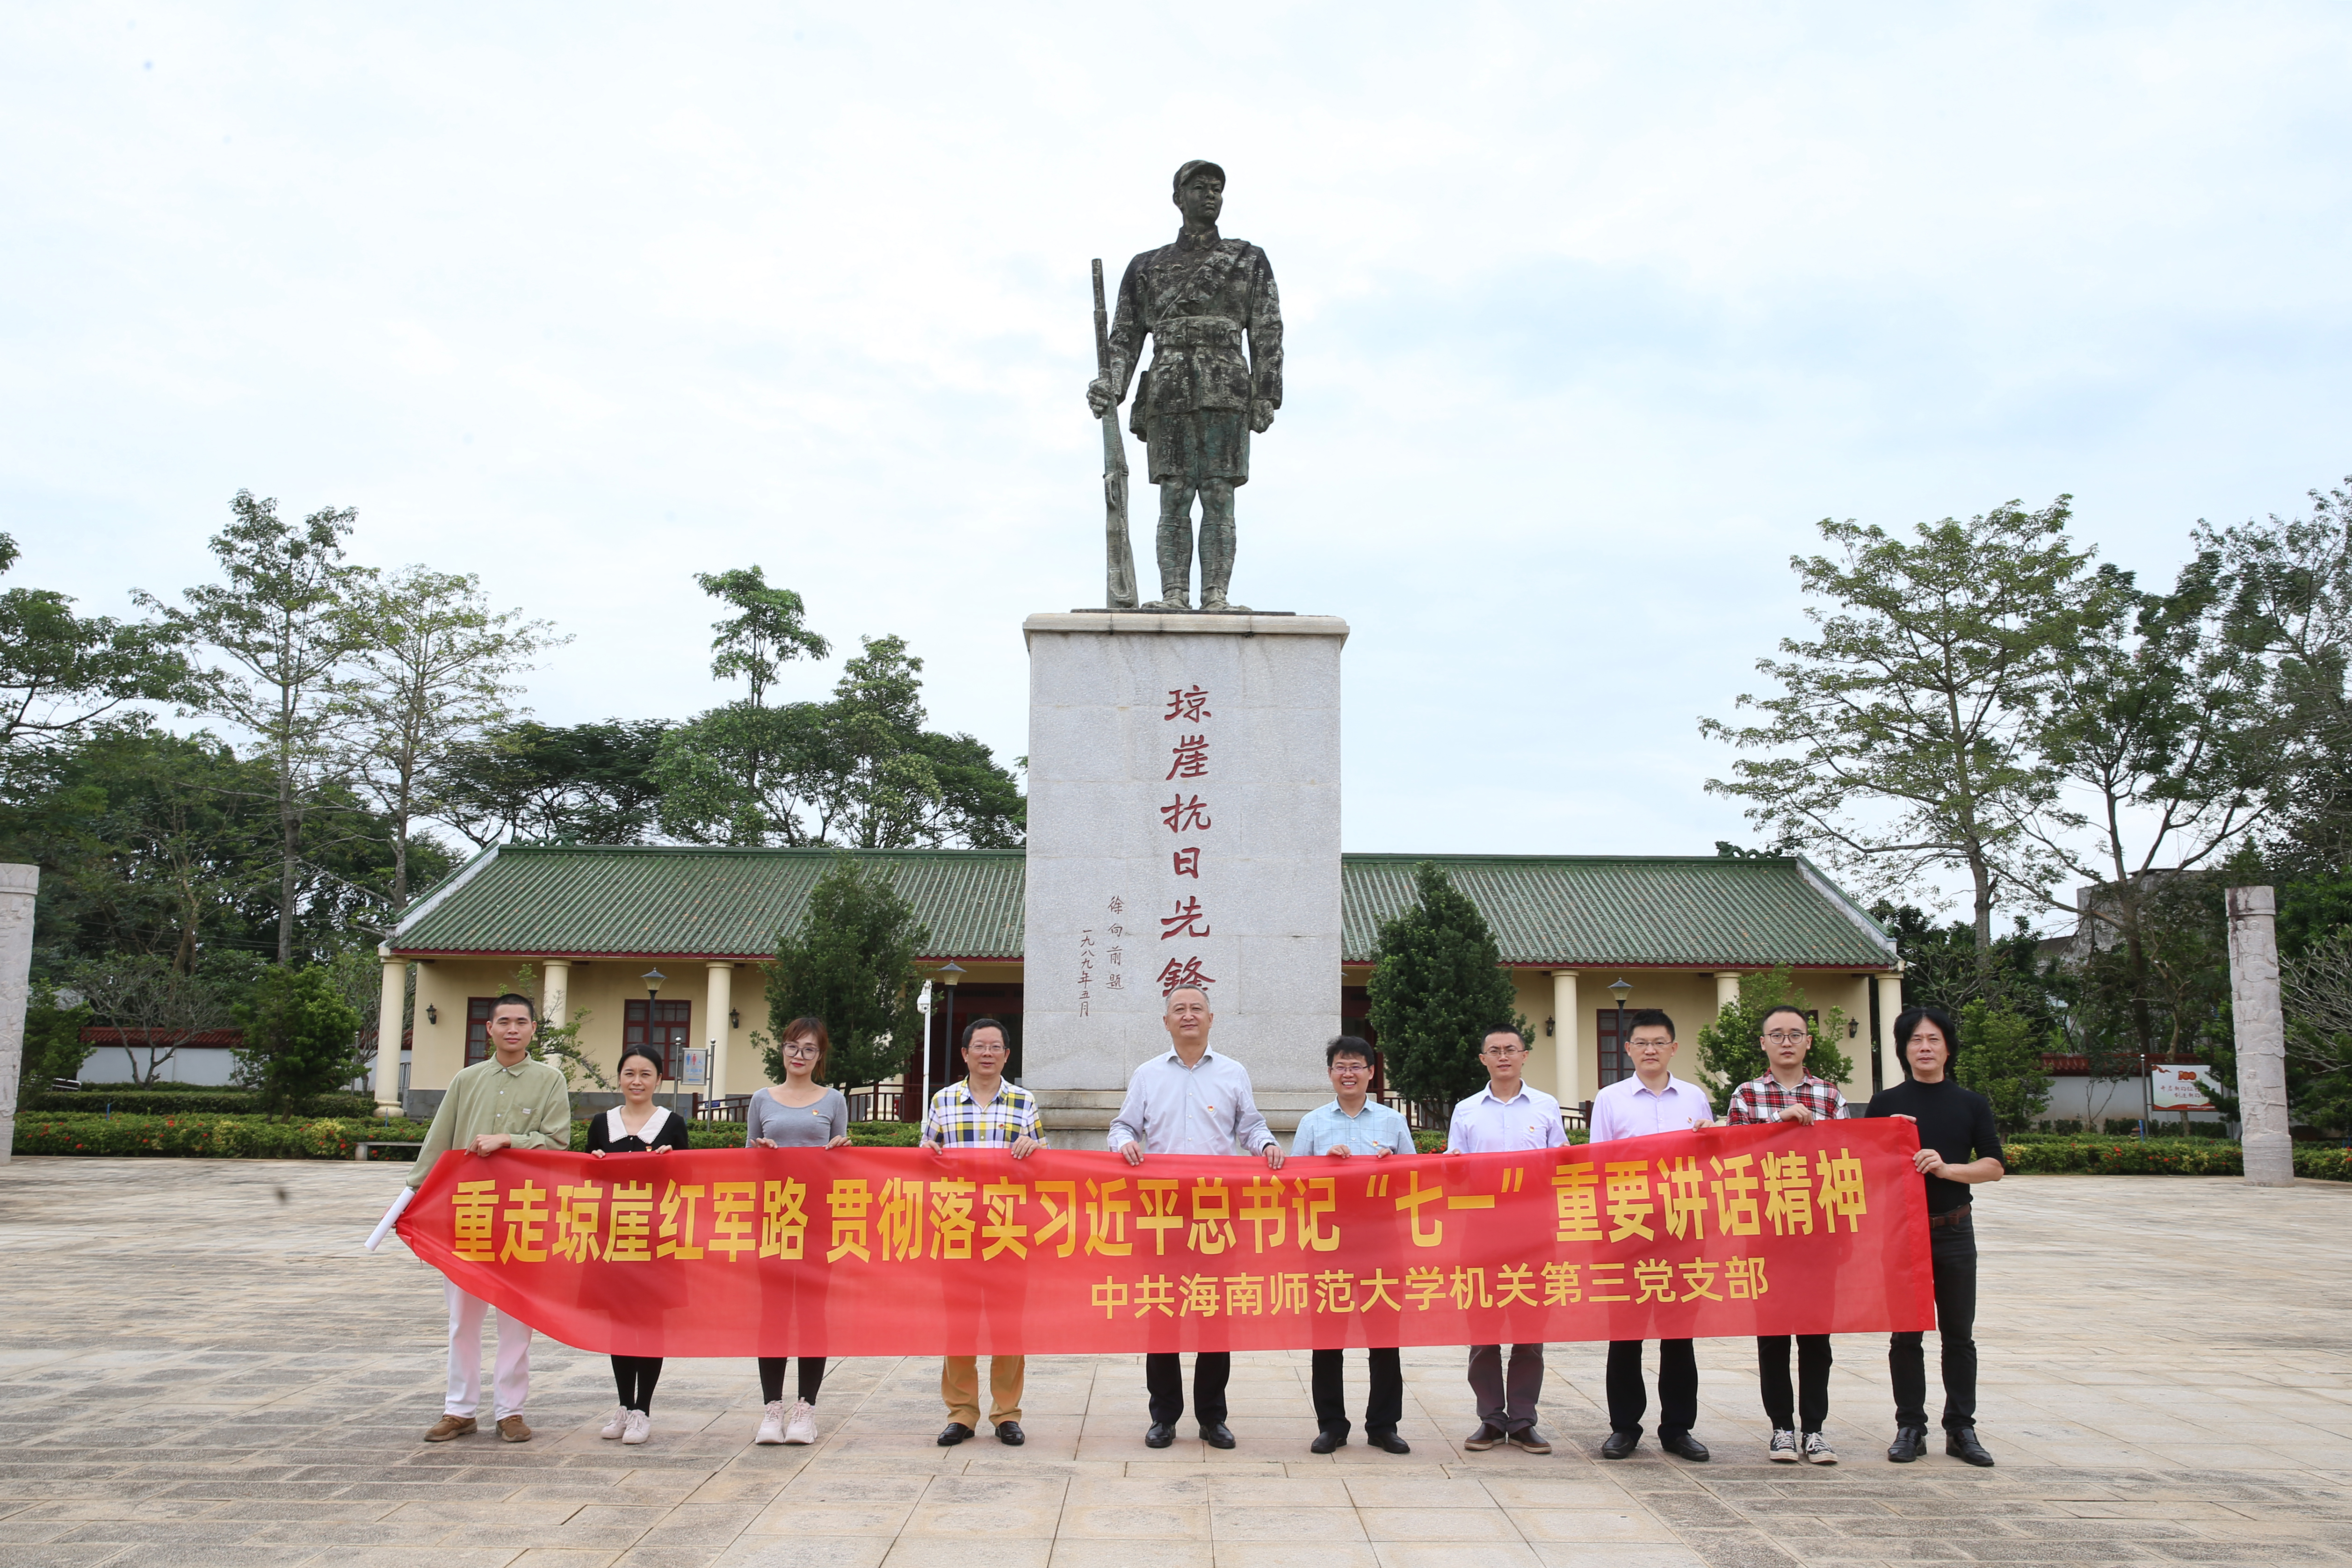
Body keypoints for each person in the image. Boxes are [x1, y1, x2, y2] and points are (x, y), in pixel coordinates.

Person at [1086, 159, 1284, 612]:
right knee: (1174, 493)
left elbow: (1268, 330)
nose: (1210, 195)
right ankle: (1174, 593)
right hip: (1170, 384)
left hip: (1226, 383)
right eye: (1199, 187)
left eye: (1217, 188)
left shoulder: (1247, 259)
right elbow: (1125, 335)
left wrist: (1266, 393)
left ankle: (1216, 595)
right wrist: (1110, 385)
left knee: (1218, 493)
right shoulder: (1147, 266)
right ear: (1179, 197)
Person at [1109, 984, 1284, 1448]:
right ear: (1165, 1021)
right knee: (1162, 1312)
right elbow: (1123, 1125)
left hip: (1214, 1210)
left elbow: (1250, 1126)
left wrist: (1265, 1144)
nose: (1188, 1015)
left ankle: (1212, 1415)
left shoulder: (1232, 1073)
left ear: (1212, 1018)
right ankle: (1163, 1415)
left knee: (1214, 1313)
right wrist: (1123, 1142)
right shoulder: (1147, 1074)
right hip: (1162, 1211)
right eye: (1178, 1009)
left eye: (1196, 1008)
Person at [406, 993, 573, 1445]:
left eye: (522, 1021)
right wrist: (413, 1193)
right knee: (463, 1317)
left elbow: (558, 1143)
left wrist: (509, 1140)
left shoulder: (550, 1080)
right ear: (490, 1027)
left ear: (534, 1029)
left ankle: (510, 1411)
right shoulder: (467, 1079)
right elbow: (439, 1139)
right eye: (504, 1021)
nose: (513, 1029)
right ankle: (459, 1409)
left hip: (523, 1213)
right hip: (468, 1213)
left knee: (516, 1317)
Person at [1868, 1005, 2004, 1468]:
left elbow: (1993, 1165)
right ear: (1903, 1049)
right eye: (1915, 1040)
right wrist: (1892, 1139)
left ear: (1948, 1047)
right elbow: (1864, 1170)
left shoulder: (1970, 1102)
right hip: (1902, 1233)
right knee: (1905, 1333)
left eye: (1933, 1039)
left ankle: (1961, 1427)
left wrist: (1948, 1168)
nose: (1924, 1047)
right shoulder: (1886, 1104)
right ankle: (1910, 1426)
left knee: (1958, 1334)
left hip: (1953, 1229)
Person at [1586, 1008, 1714, 1463]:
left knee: (1679, 1334)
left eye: (1659, 1042)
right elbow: (1596, 1168)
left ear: (1673, 1047)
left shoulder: (1695, 1098)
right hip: (1627, 1230)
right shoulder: (1610, 1099)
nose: (1650, 1050)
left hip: (1683, 1229)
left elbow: (1709, 1164)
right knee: (1625, 1333)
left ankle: (1678, 1427)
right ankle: (1624, 1426)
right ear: (1627, 1049)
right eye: (1641, 1042)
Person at [1722, 1004, 1846, 1465]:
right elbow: (1733, 1157)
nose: (1787, 1041)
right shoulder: (1747, 1095)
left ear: (1808, 1041)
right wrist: (1778, 1126)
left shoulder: (1829, 1096)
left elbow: (1846, 1161)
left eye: (1796, 1033)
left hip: (1817, 1235)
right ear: (1763, 1043)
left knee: (1816, 1335)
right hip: (1766, 1233)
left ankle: (1814, 1428)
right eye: (1777, 1034)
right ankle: (1781, 1428)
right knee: (1773, 1335)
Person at [920, 1016, 1043, 1449]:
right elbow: (925, 1157)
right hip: (956, 1227)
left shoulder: (1024, 1102)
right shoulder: (943, 1100)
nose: (987, 1053)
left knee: (1008, 1324)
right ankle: (961, 1414)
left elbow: (1044, 1163)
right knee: (960, 1324)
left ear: (1007, 1055)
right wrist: (928, 1152)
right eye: (979, 1046)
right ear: (965, 1053)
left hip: (1007, 1230)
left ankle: (1006, 1414)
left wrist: (1035, 1148)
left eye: (995, 1046)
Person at [1446, 1024, 1566, 1455]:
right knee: (1483, 1331)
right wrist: (1453, 1167)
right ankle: (1490, 1419)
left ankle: (1523, 1419)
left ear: (1524, 1055)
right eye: (1493, 1050)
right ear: (1483, 1059)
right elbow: (1453, 1172)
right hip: (1480, 1233)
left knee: (1529, 1332)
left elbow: (1563, 1168)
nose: (1502, 1056)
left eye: (1510, 1049)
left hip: (1535, 1234)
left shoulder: (1546, 1107)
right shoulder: (1466, 1110)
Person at [1290, 1036, 1412, 1455]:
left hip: (1382, 1242)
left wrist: (1388, 1166)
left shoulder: (1391, 1122)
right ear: (1330, 1074)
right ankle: (1331, 1425)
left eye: (1357, 1066)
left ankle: (1383, 1424)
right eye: (1340, 1066)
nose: (1348, 1073)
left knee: (1384, 1340)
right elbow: (1295, 1187)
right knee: (1327, 1339)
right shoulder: (1312, 1123)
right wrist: (1325, 1165)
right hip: (1328, 1244)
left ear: (1371, 1072)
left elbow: (1414, 1180)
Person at [747, 1015, 851, 1446]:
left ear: (820, 1056)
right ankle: (772, 1407)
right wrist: (761, 1151)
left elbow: (842, 1155)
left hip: (818, 1219)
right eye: (793, 1046)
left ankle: (805, 1407)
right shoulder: (761, 1099)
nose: (799, 1056)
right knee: (772, 1311)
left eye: (809, 1049)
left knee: (811, 1311)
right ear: (782, 1050)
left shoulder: (833, 1100)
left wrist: (842, 1150)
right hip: (773, 1216)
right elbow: (746, 1158)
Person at [586, 1044, 689, 1446]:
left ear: (659, 1081)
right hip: (613, 1240)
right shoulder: (601, 1123)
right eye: (629, 1073)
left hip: (655, 1242)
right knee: (619, 1325)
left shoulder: (672, 1123)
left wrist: (673, 1161)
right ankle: (623, 1405)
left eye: (646, 1074)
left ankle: (643, 1409)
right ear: (619, 1079)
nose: (637, 1081)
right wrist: (592, 1161)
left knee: (649, 1324)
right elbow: (588, 1183)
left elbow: (688, 1184)